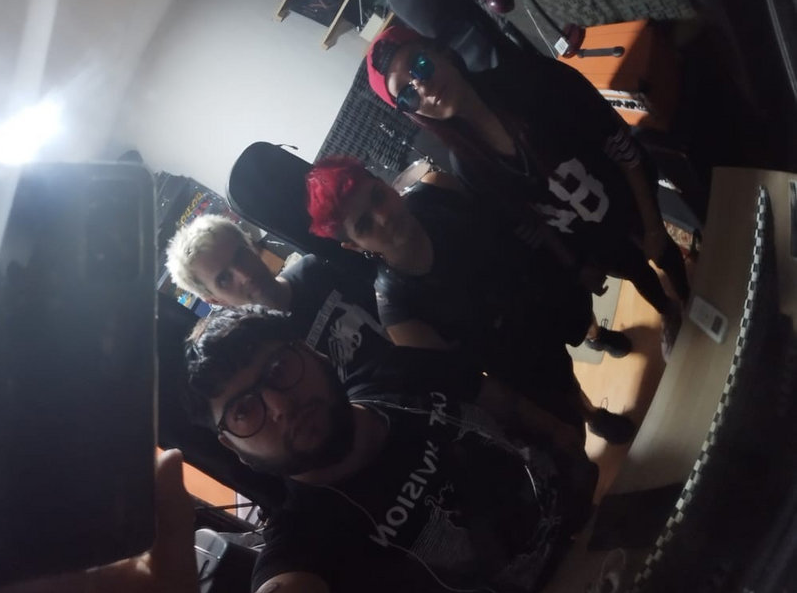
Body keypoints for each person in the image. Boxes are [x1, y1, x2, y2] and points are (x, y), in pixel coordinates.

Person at [0, 309, 597, 593]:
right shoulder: (306, 539)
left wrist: (567, 438)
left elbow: (495, 399)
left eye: (279, 369)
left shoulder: (395, 371)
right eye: (244, 410)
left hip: (599, 505)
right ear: (235, 449)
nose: (278, 404)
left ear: (316, 354)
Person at [365, 26, 690, 359]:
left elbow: (617, 142)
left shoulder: (530, 80)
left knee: (665, 253)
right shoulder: (467, 165)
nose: (422, 87)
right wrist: (576, 266)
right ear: (412, 112)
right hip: (594, 242)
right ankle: (668, 310)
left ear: (440, 51)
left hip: (630, 198)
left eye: (419, 65)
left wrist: (652, 224)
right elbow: (528, 223)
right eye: (407, 95)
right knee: (637, 272)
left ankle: (688, 297)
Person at [306, 155, 635, 444]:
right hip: (514, 349)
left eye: (378, 196)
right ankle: (591, 414)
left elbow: (510, 219)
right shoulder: (398, 311)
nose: (383, 217)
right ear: (354, 246)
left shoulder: (437, 189)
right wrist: (547, 424)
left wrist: (569, 263)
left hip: (538, 284)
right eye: (364, 224)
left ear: (385, 184)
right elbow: (467, 381)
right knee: (562, 388)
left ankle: (595, 335)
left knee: (581, 315)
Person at [165, 214, 396, 384]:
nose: (244, 275)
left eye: (240, 255)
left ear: (251, 245)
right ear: (214, 300)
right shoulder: (256, 355)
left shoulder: (316, 268)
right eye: (224, 278)